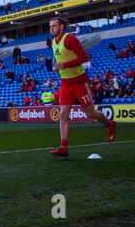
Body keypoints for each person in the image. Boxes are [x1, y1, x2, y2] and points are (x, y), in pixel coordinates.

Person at [49, 17, 116, 157]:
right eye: (50, 26)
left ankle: (109, 124)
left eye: (54, 26)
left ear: (62, 27)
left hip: (80, 81)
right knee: (63, 114)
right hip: (66, 82)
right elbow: (61, 60)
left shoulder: (70, 39)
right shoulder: (53, 42)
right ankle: (63, 146)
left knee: (90, 113)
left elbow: (84, 58)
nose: (51, 28)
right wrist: (57, 68)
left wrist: (64, 65)